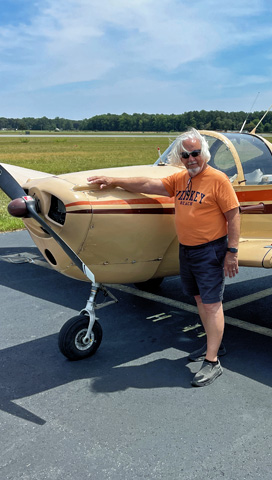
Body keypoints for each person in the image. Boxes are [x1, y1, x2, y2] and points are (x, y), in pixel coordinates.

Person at [87, 128, 240, 387]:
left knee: (212, 304)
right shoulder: (181, 179)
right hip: (187, 249)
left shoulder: (218, 180)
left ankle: (212, 362)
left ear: (204, 154)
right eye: (185, 155)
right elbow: (148, 184)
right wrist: (114, 181)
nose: (190, 159)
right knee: (200, 299)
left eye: (195, 153)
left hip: (210, 250)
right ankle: (214, 346)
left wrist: (232, 253)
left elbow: (234, 215)